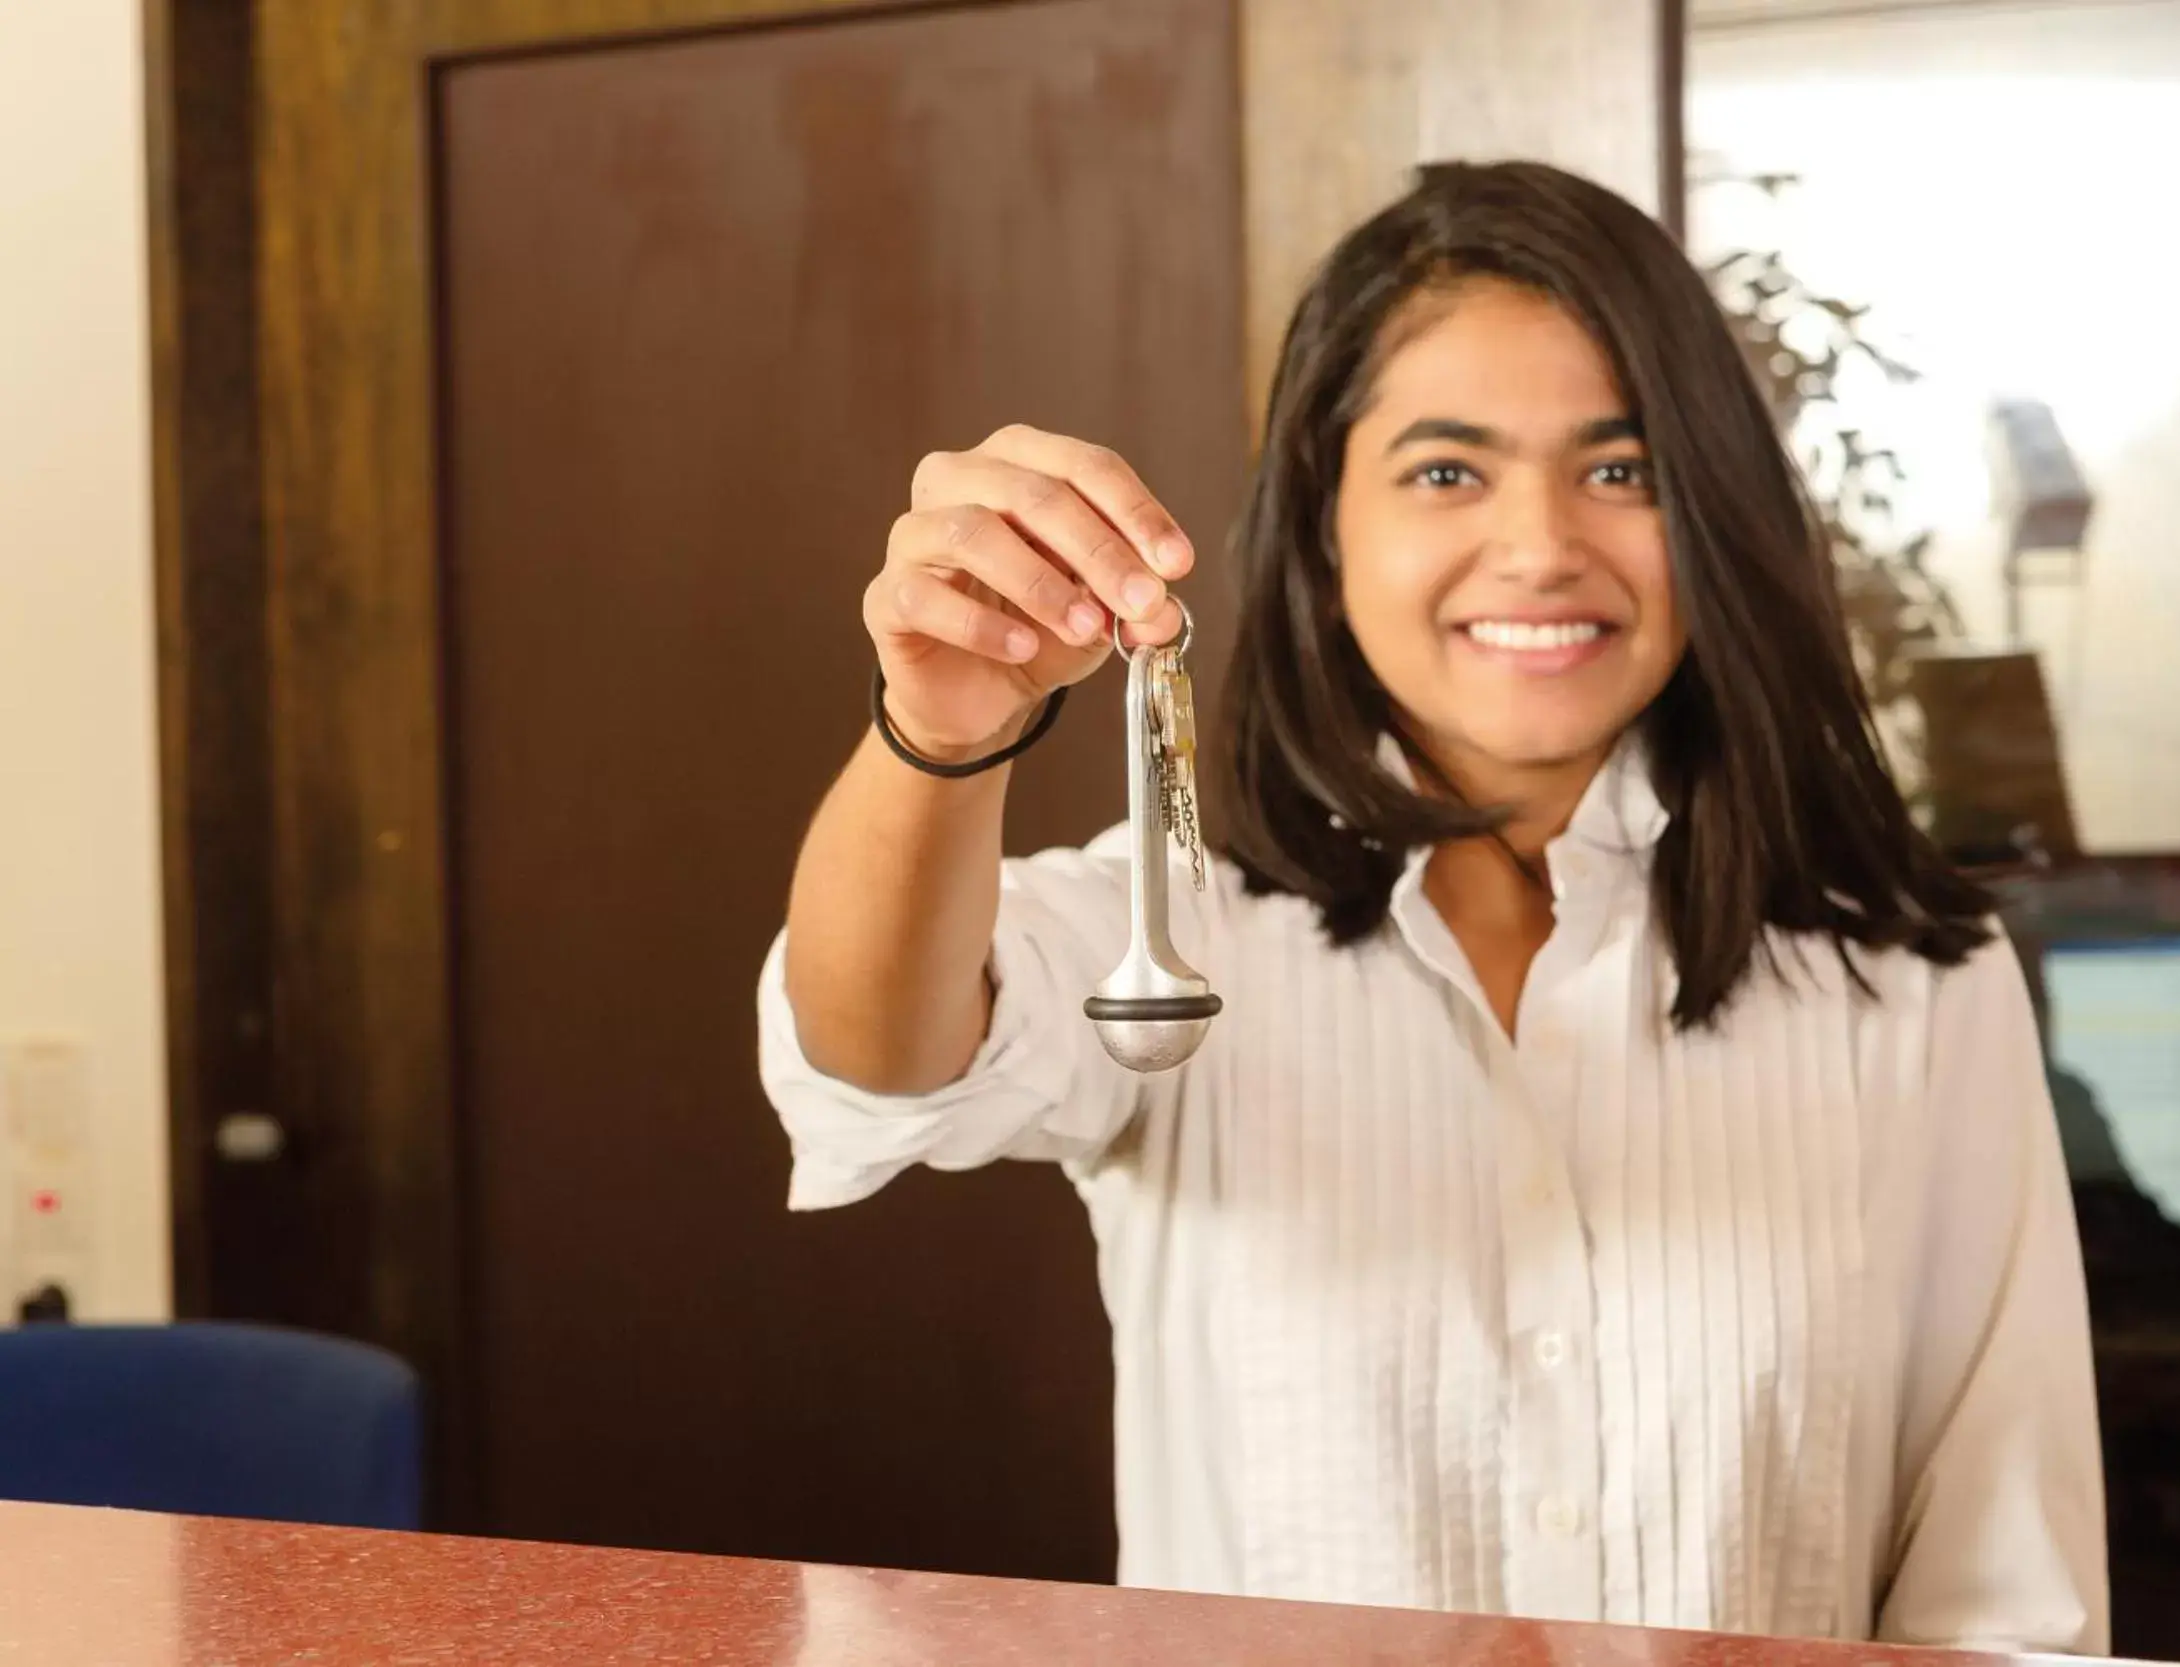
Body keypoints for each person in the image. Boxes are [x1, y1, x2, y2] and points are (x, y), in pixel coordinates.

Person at [758, 160, 2107, 1652]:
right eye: (1446, 471)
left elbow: (2005, 1593)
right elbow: (879, 1056)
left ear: (1713, 515)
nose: (1539, 547)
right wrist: (941, 729)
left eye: (1622, 469)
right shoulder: (1179, 934)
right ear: (1328, 528)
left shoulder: (1912, 977)